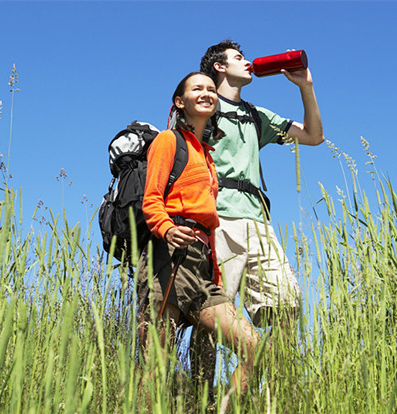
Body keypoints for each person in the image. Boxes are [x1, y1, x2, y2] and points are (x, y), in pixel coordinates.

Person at [191, 39, 324, 396]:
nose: (247, 62)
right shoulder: (203, 105)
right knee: (215, 315)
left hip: (259, 223)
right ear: (219, 67)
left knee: (285, 306)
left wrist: (306, 87)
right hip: (218, 219)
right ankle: (199, 396)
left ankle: (264, 394)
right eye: (238, 58)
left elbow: (314, 136)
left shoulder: (255, 115)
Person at [137, 71, 259, 395]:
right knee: (156, 365)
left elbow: (209, 223)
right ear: (180, 101)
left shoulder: (208, 158)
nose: (206, 92)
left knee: (252, 345)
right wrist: (165, 229)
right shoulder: (168, 141)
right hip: (170, 258)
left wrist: (214, 270)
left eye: (210, 88)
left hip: (202, 267)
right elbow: (151, 199)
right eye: (197, 88)